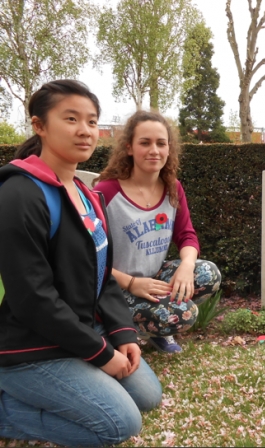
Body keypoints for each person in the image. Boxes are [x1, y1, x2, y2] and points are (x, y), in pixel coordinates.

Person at [0, 80, 162, 446]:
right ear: (39, 125)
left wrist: (122, 334)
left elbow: (103, 276)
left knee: (148, 396)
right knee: (120, 424)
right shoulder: (20, 193)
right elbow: (32, 298)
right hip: (31, 347)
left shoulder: (89, 196)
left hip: (82, 332)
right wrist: (100, 354)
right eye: (71, 119)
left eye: (92, 121)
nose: (85, 131)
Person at [94, 110, 221, 354]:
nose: (154, 150)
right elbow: (90, 255)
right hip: (114, 287)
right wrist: (131, 283)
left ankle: (151, 331)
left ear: (169, 149)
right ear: (129, 148)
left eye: (161, 143)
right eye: (145, 142)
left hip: (153, 279)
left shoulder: (173, 188)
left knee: (207, 274)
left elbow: (187, 235)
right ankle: (121, 330)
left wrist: (186, 266)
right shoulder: (106, 192)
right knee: (184, 314)